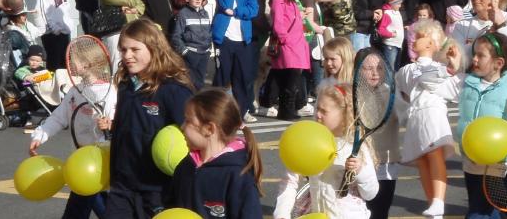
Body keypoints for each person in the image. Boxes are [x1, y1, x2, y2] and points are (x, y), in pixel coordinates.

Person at [104, 18, 194, 219]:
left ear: (154, 48)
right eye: (124, 49)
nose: (127, 56)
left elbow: (195, 139)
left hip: (158, 191)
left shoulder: (174, 91)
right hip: (123, 187)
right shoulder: (126, 87)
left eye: (135, 49)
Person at [28, 43, 116, 219]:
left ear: (87, 64)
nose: (68, 62)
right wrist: (41, 135)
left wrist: (110, 124)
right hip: (79, 164)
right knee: (83, 207)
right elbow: (58, 117)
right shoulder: (75, 92)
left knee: (91, 207)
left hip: (100, 164)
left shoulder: (109, 92)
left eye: (72, 59)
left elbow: (117, 122)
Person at [456, 32, 507, 219]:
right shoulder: (468, 84)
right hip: (471, 163)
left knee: (479, 214)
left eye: (480, 55)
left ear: (498, 63)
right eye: (474, 53)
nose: (474, 58)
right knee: (492, 210)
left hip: (496, 167)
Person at [274, 82, 378, 219]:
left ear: (344, 114)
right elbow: (290, 181)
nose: (317, 114)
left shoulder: (355, 147)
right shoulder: (308, 141)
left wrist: (360, 171)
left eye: (324, 111)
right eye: (317, 109)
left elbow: (370, 193)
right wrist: (281, 213)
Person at [396, 20, 463, 219]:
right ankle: (432, 203)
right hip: (416, 116)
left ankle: (439, 201)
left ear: (431, 44)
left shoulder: (435, 67)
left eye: (418, 37)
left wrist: (451, 68)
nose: (413, 40)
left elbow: (445, 86)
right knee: (422, 160)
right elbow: (407, 83)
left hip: (432, 114)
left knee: (433, 154)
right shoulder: (409, 69)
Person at [166, 88, 263, 218]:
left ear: (209, 129)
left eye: (188, 121)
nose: (182, 127)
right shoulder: (185, 166)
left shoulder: (238, 177)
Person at [212, 0, 259, 123]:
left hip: (243, 39)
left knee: (242, 76)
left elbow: (253, 10)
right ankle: (217, 110)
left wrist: (237, 12)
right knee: (222, 76)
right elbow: (225, 4)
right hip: (224, 39)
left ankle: (242, 110)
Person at [358, 49, 400, 219]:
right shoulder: (352, 94)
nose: (375, 73)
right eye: (368, 68)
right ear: (358, 70)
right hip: (361, 165)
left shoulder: (392, 93)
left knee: (380, 212)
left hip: (386, 165)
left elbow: (408, 116)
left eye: (380, 68)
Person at [269, 0, 310, 121]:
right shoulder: (279, 1)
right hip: (288, 45)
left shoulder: (291, 1)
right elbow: (278, 22)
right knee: (289, 79)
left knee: (292, 79)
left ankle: (288, 109)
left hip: (296, 44)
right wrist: (284, 38)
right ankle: (286, 110)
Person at [99, 0, 145, 73]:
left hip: (129, 31)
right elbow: (131, 1)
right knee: (117, 69)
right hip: (114, 33)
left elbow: (140, 5)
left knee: (130, 67)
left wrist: (134, 9)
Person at [34, 0, 73, 71]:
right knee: (55, 65)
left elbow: (66, 7)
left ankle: (64, 87)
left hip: (64, 32)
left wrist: (68, 25)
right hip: (52, 33)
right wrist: (54, 28)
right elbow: (42, 11)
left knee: (65, 64)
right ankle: (54, 87)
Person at [170, 0, 212, 90]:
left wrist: (209, 48)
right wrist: (185, 52)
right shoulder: (183, 14)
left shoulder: (204, 13)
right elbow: (176, 36)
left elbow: (208, 32)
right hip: (191, 54)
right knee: (191, 83)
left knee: (200, 83)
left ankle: (198, 104)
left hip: (204, 53)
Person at [377, 0, 404, 71]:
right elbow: (381, 30)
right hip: (390, 45)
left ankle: (395, 83)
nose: (400, 6)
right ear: (392, 3)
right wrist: (391, 34)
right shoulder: (387, 14)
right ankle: (388, 83)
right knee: (389, 67)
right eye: (398, 4)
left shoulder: (396, 12)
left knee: (396, 67)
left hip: (398, 44)